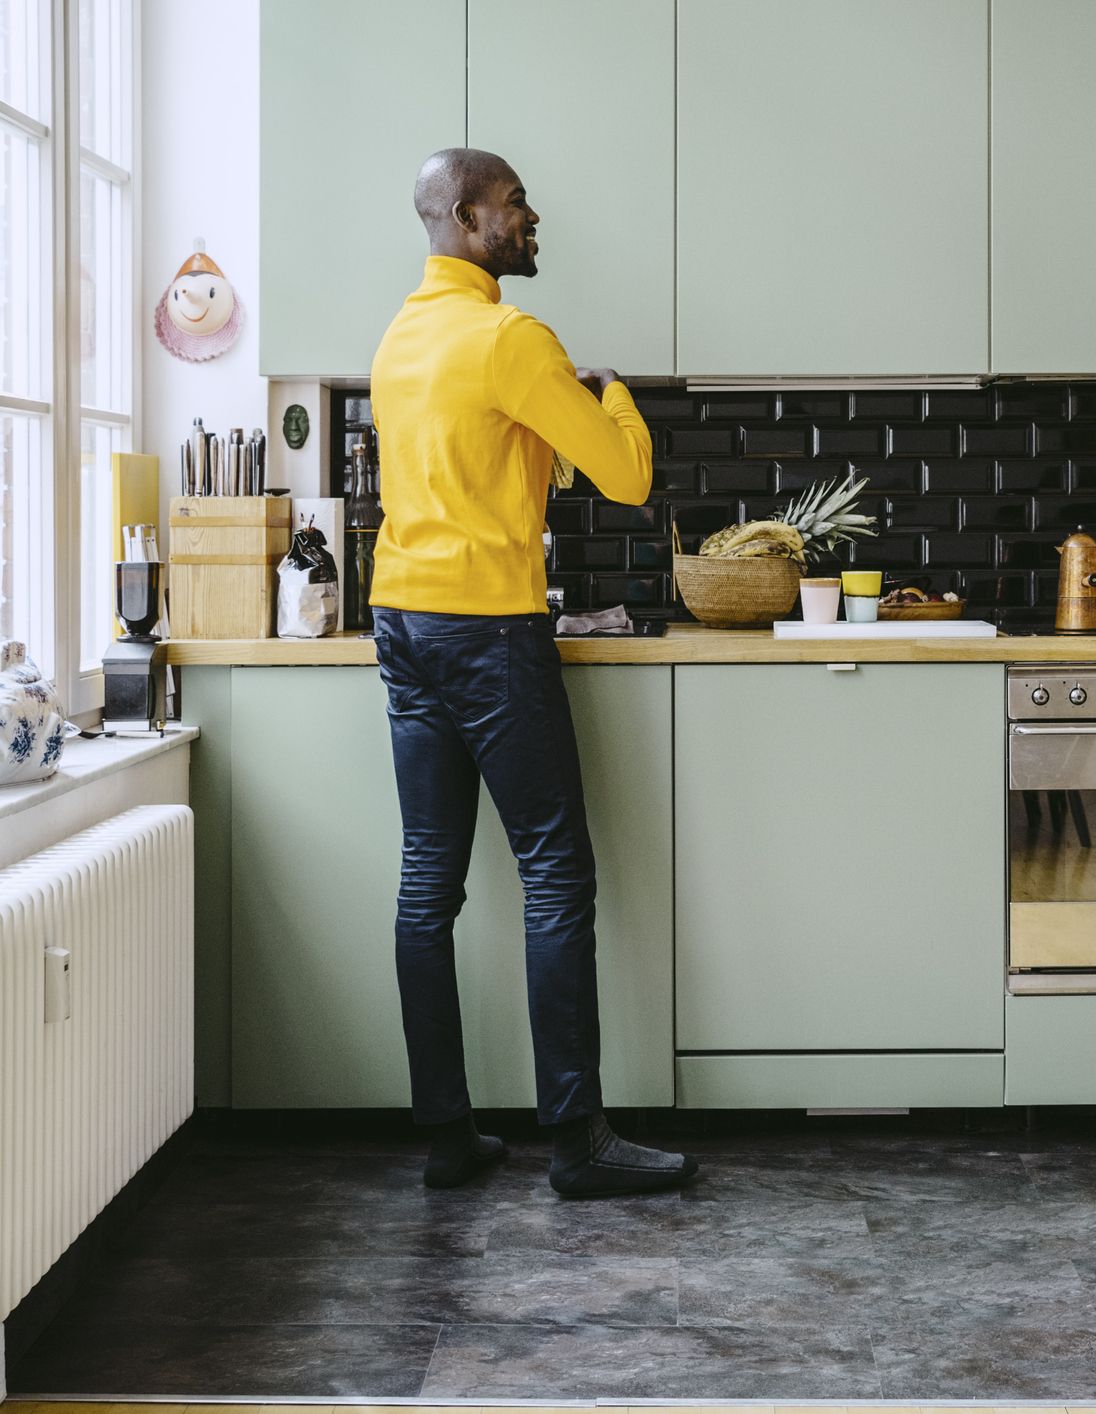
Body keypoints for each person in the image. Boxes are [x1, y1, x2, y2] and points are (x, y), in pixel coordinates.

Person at [368, 148, 698, 1198]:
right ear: (468, 218)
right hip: (485, 629)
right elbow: (630, 476)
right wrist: (619, 397)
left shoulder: (400, 335)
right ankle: (577, 1141)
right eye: (515, 206)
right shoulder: (510, 337)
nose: (532, 217)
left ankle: (449, 1134)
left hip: (401, 622)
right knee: (556, 871)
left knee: (429, 880)